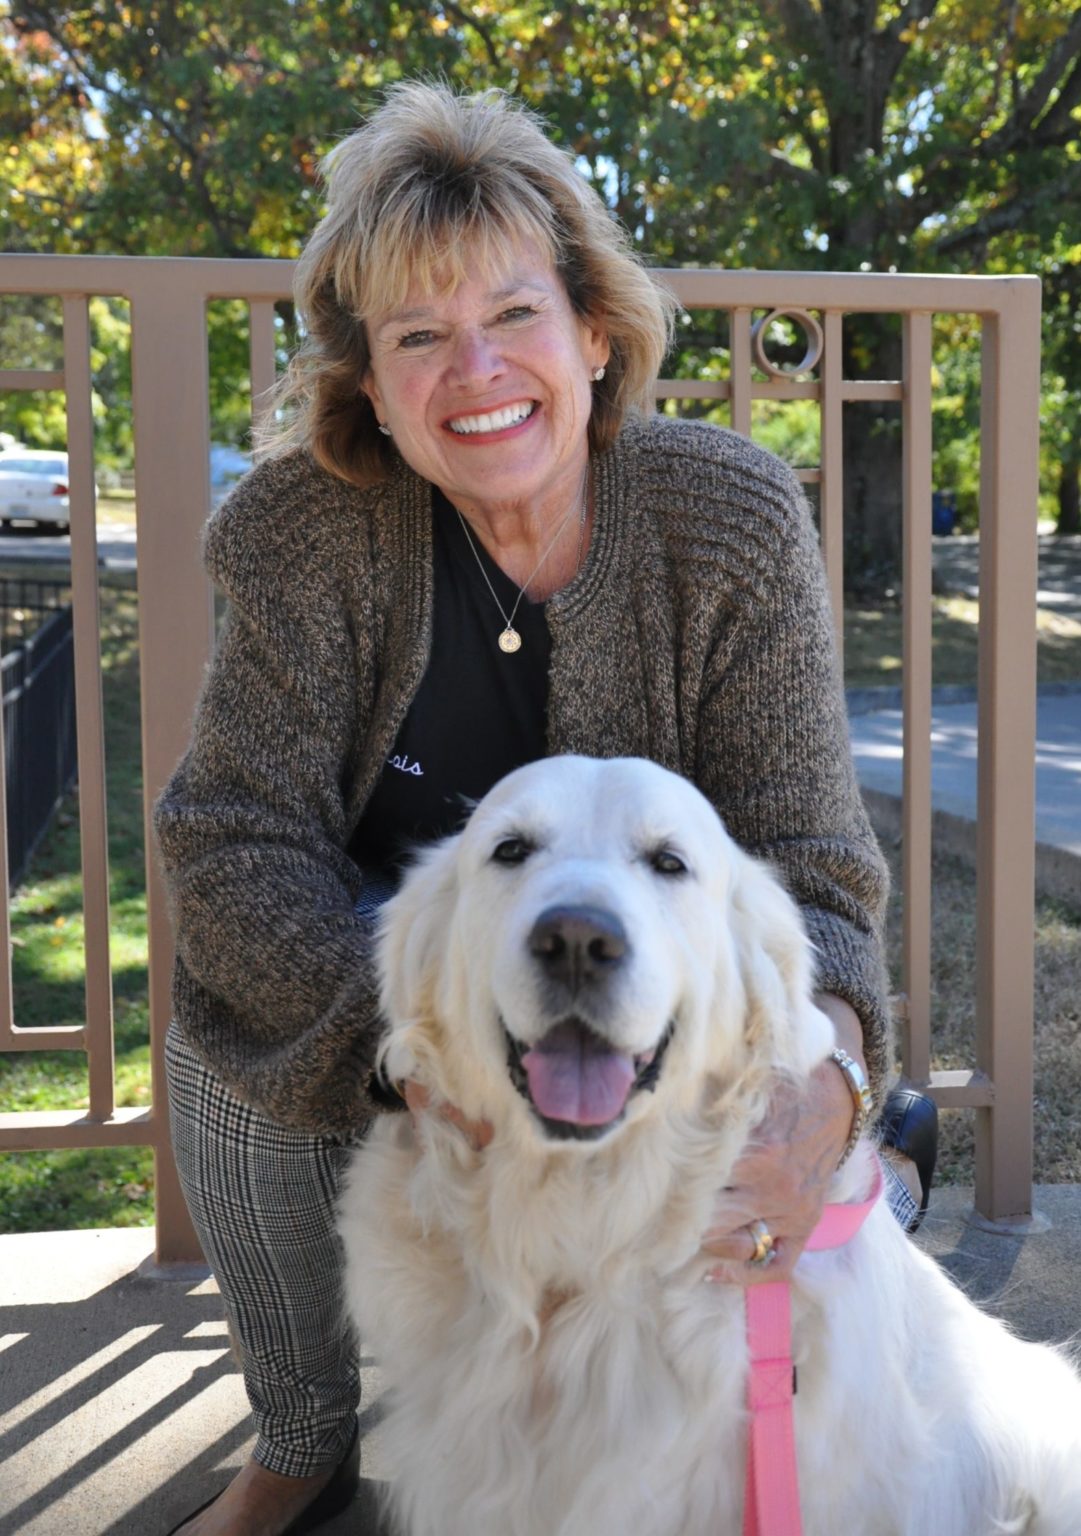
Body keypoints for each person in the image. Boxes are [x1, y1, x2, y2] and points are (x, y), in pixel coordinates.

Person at [154, 81, 936, 1536]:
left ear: (592, 331)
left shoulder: (729, 518)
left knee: (798, 1199)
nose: (474, 369)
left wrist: (826, 1091)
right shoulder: (296, 532)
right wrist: (416, 1049)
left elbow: (817, 873)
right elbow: (231, 836)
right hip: (413, 995)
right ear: (371, 386)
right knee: (214, 1026)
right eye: (416, 337)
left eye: (512, 315)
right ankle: (303, 1433)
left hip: (647, 999)